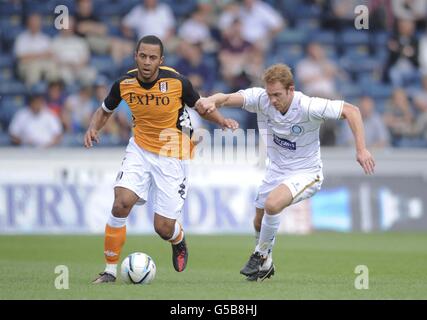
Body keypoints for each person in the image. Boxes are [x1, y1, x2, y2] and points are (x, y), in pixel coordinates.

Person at [196, 63, 375, 281]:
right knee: (258, 221)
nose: (272, 100)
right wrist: (210, 100)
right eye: (270, 94)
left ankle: (260, 255)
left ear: (291, 89)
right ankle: (267, 264)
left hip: (306, 173)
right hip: (276, 171)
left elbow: (352, 111)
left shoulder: (309, 106)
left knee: (272, 204)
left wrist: (361, 149)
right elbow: (225, 98)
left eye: (278, 95)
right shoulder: (261, 98)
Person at [84, 35, 238, 284]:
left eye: (152, 57)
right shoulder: (124, 83)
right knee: (121, 203)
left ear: (161, 60)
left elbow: (201, 107)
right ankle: (110, 271)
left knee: (163, 227)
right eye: (142, 56)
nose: (147, 62)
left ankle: (178, 239)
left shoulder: (177, 82)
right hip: (140, 148)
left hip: (173, 153)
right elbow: (105, 110)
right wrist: (94, 128)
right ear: (136, 56)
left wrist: (222, 121)